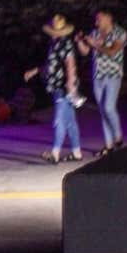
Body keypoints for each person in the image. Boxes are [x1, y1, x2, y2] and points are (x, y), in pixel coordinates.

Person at [24, 14, 82, 164]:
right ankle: (76, 152)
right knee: (70, 121)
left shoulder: (64, 43)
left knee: (59, 120)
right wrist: (35, 71)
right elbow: (52, 65)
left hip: (63, 87)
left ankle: (55, 153)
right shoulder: (55, 43)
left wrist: (70, 84)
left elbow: (70, 64)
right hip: (60, 86)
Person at [75, 9, 127, 157]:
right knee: (103, 110)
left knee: (109, 107)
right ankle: (109, 145)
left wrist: (95, 45)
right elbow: (85, 52)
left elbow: (112, 52)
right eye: (96, 19)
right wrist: (80, 42)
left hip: (113, 75)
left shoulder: (120, 33)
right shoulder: (95, 33)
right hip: (97, 75)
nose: (96, 22)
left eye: (99, 19)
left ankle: (118, 137)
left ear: (108, 18)